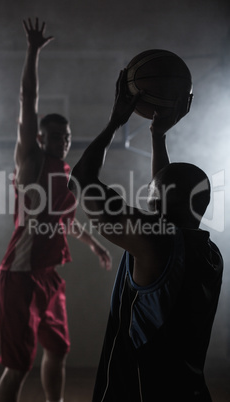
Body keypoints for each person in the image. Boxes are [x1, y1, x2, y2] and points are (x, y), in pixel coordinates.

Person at [68, 69, 223, 401]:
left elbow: (81, 179)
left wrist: (115, 122)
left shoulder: (155, 243)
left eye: (151, 195)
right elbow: (167, 199)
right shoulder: (209, 253)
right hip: (189, 389)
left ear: (155, 203)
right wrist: (157, 136)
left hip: (140, 390)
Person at [0, 18, 111, 402]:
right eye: (56, 137)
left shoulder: (65, 174)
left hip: (48, 278)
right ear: (42, 138)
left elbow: (67, 222)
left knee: (58, 349)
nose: (63, 142)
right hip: (19, 277)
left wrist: (93, 244)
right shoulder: (31, 160)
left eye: (68, 137)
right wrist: (32, 52)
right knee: (18, 366)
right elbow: (28, 100)